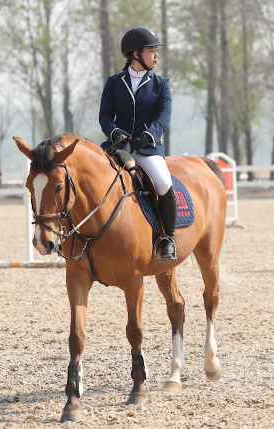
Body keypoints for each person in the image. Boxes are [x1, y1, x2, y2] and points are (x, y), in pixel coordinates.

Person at [99, 26, 176, 260]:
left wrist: (148, 136)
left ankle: (168, 238)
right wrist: (115, 133)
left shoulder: (161, 84)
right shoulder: (114, 83)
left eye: (156, 51)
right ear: (135, 54)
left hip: (147, 149)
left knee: (163, 183)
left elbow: (163, 117)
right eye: (151, 51)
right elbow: (104, 116)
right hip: (118, 148)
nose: (156, 55)